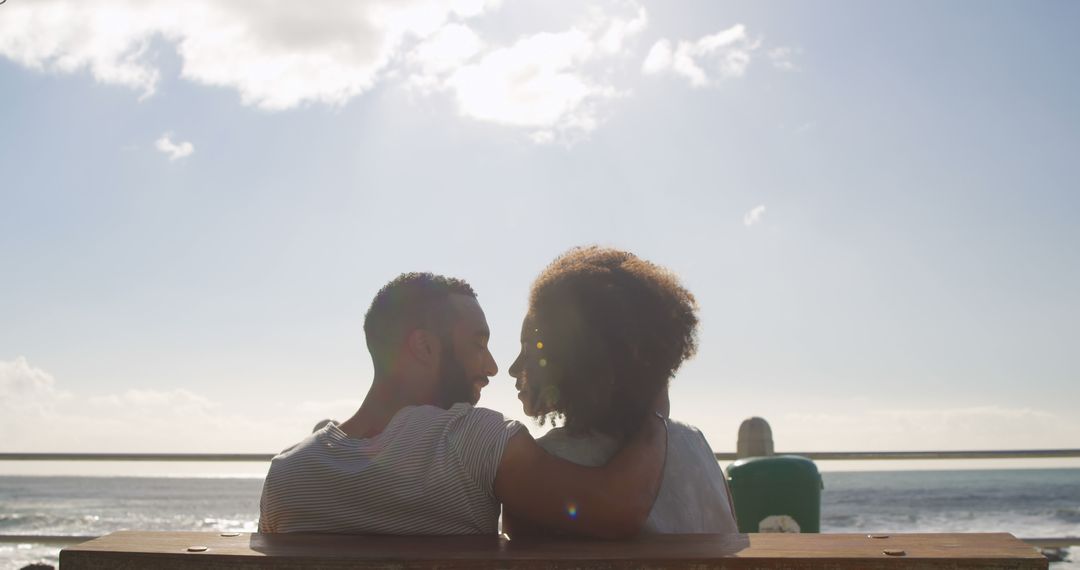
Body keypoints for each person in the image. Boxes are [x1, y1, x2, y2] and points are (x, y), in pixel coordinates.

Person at [258, 272, 668, 538]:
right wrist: (652, 412)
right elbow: (619, 507)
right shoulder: (471, 438)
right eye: (478, 344)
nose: (491, 366)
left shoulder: (287, 472)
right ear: (423, 347)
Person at [505, 247, 738, 535]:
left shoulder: (543, 466)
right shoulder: (695, 445)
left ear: (573, 359)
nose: (513, 368)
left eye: (530, 349)